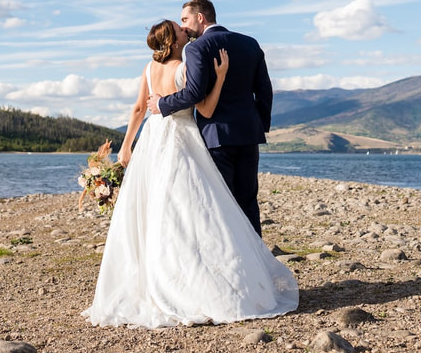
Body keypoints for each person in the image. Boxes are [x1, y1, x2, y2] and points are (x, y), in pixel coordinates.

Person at [82, 20, 297, 328]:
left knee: (155, 207)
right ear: (174, 40)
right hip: (182, 139)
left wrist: (127, 145)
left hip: (152, 140)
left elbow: (137, 110)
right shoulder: (184, 67)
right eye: (180, 28)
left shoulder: (148, 68)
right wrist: (220, 77)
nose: (186, 31)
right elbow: (206, 110)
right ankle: (202, 281)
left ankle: (154, 278)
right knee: (196, 209)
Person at [147, 0, 271, 235]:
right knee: (248, 201)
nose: (184, 26)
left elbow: (194, 92)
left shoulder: (196, 48)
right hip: (248, 133)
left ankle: (233, 257)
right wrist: (260, 125)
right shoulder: (250, 43)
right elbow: (264, 90)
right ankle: (258, 260)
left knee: (222, 201)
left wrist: (162, 103)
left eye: (185, 19)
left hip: (216, 135)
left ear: (200, 18)